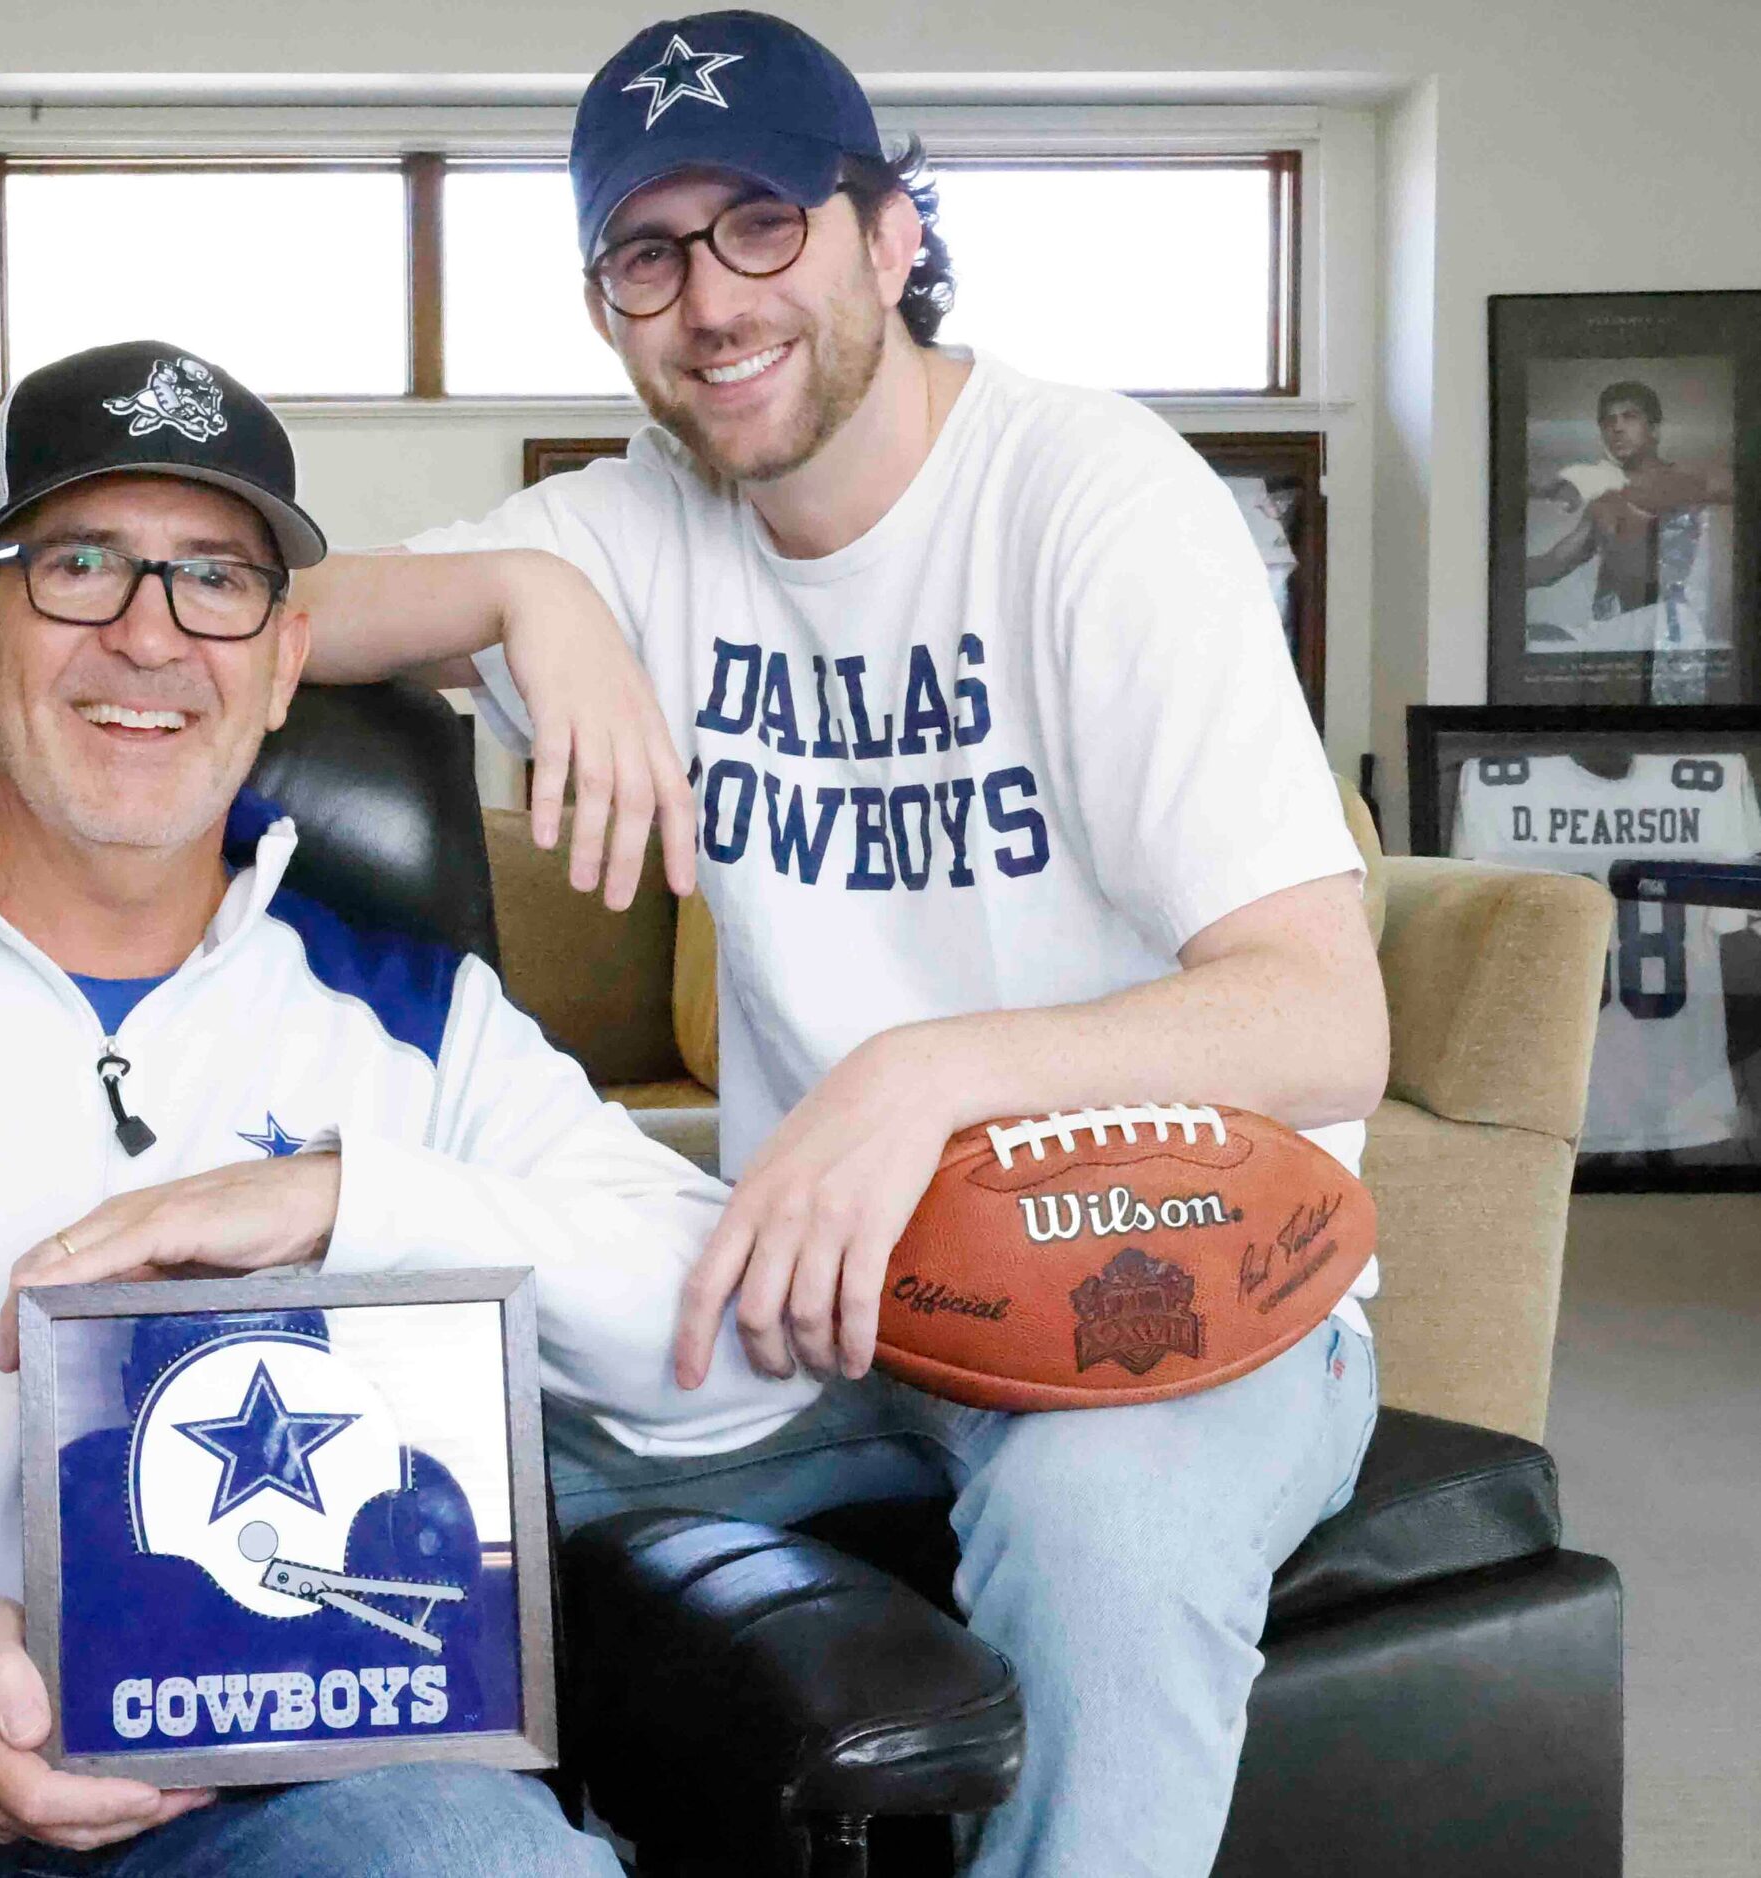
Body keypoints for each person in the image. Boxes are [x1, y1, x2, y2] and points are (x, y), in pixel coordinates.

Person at [285, 13, 1390, 1873]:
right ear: (605, 301)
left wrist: (927, 1072)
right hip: (829, 1299)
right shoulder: (622, 529)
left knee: (1102, 1529)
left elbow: (1323, 1015)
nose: (709, 301)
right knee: (409, 1459)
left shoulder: (1096, 500)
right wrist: (522, 590)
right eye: (648, 252)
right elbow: (256, 611)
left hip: (1175, 1279)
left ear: (889, 234)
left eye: (763, 225)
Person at [0, 339, 817, 1877]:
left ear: (283, 659)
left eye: (217, 580)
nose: (150, 638)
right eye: (80, 563)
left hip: (287, 1788)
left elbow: (739, 1354)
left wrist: (353, 1201)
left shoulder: (416, 1022)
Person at [1526, 378, 1733, 640]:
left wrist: (1591, 477)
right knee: (1536, 636)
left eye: (1629, 417)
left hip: (1674, 627)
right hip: (1623, 631)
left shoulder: (1694, 480)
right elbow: (1550, 565)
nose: (1617, 428)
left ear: (1654, 429)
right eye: (1607, 421)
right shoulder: (1601, 504)